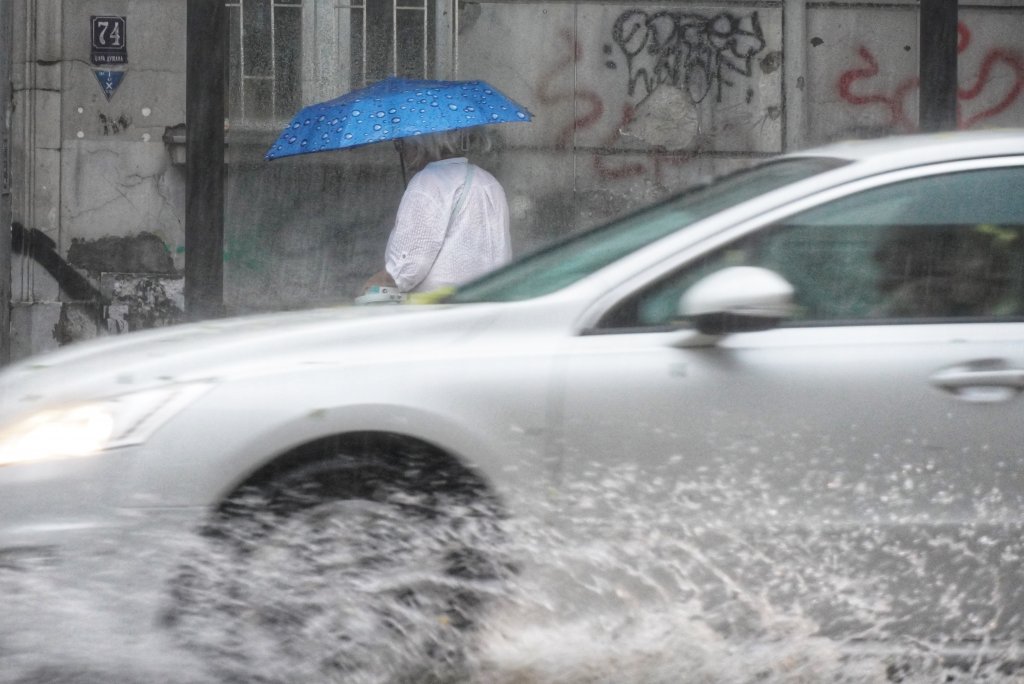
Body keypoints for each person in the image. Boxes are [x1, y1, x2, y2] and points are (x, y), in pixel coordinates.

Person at [361, 130, 511, 299]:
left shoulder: (428, 182)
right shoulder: (489, 182)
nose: (401, 150)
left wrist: (378, 282)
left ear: (420, 143)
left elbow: (408, 267)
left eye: (401, 143)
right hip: (489, 301)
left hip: (440, 306)